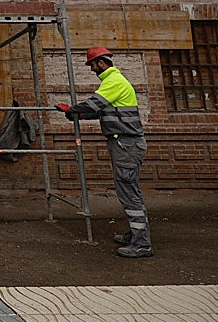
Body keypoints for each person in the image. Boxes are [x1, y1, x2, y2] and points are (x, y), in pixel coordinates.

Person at [56, 45, 152, 258]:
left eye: (92, 65)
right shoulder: (114, 82)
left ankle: (142, 243)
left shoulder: (113, 81)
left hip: (126, 144)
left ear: (101, 62)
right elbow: (105, 111)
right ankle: (136, 234)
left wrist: (72, 110)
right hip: (125, 144)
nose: (92, 69)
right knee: (128, 190)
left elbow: (94, 104)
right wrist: (79, 116)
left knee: (129, 192)